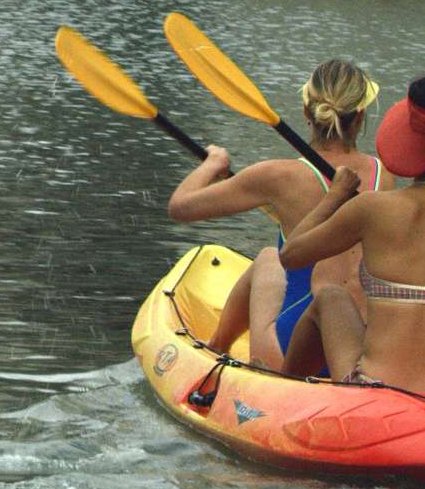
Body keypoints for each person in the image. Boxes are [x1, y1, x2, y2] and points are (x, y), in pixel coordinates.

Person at [280, 51, 425, 412]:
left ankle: (281, 397)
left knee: (330, 298)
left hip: (378, 395)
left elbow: (291, 255)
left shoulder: (372, 208)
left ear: (408, 136)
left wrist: (337, 194)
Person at [167, 59, 390, 373]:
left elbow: (181, 207)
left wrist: (214, 163)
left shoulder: (277, 176)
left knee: (270, 257)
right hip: (360, 344)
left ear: (305, 112)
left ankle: (218, 346)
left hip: (294, 352)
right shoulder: (385, 174)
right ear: (361, 116)